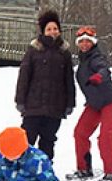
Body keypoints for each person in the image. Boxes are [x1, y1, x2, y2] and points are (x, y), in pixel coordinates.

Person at [67, 26, 112, 181]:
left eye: (88, 41)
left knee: (105, 135)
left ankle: (111, 172)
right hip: (95, 105)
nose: (85, 44)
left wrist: (99, 76)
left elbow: (104, 69)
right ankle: (84, 169)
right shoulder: (82, 61)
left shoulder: (96, 57)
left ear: (93, 43)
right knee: (80, 133)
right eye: (81, 41)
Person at [15, 10, 76, 161]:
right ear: (43, 31)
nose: (52, 32)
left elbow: (69, 79)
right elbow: (24, 76)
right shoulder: (34, 50)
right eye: (49, 29)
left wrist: (70, 103)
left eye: (55, 28)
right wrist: (20, 100)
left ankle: (44, 175)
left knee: (48, 142)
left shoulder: (64, 52)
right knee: (26, 141)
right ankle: (22, 172)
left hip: (55, 107)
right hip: (33, 106)